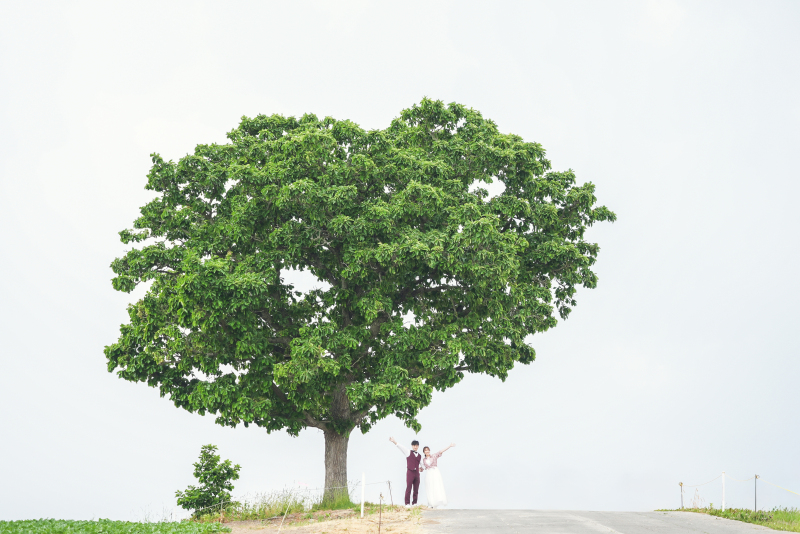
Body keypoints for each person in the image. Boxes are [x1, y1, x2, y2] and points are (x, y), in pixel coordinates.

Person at [389, 436, 423, 506]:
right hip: (410, 472)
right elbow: (400, 447)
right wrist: (394, 441)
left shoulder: (420, 455)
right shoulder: (408, 452)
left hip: (417, 473)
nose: (415, 447)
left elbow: (422, 464)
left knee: (416, 489)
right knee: (409, 488)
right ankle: (407, 503)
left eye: (416, 446)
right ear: (412, 446)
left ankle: (414, 503)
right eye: (414, 445)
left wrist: (422, 468)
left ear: (418, 446)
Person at [420, 443, 455, 508]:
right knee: (429, 487)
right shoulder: (423, 460)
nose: (427, 451)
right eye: (425, 450)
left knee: (436, 486)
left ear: (429, 451)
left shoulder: (434, 456)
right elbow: (422, 467)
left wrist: (449, 446)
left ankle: (436, 502)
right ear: (424, 452)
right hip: (428, 473)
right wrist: (419, 469)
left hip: (435, 472)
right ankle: (430, 503)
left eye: (428, 450)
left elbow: (441, 451)